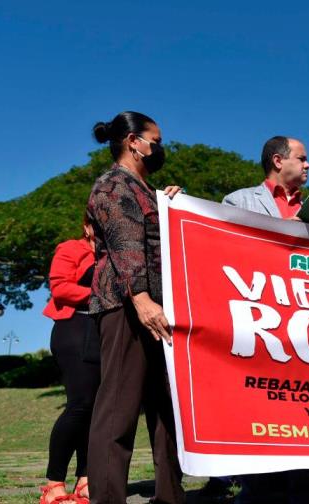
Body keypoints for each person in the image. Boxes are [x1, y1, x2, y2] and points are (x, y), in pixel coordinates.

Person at [86, 111, 185, 504]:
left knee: (167, 410)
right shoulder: (113, 185)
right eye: (155, 141)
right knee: (118, 409)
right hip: (127, 307)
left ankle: (170, 495)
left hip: (160, 310)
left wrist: (173, 206)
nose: (160, 148)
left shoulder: (148, 190)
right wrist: (141, 299)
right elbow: (125, 244)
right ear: (133, 142)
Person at [221, 135, 309, 504]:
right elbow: (226, 248)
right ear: (279, 161)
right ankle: (257, 490)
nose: (308, 165)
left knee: (305, 407)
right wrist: (287, 232)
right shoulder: (238, 201)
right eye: (302, 158)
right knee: (260, 404)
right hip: (261, 319)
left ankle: (304, 489)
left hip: (306, 324)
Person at [40, 216, 100, 504]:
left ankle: (85, 479)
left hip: (102, 333)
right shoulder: (70, 249)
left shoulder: (117, 255)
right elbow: (61, 288)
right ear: (87, 227)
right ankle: (54, 483)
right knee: (80, 404)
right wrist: (101, 296)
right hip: (73, 327)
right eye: (97, 223)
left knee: (96, 408)